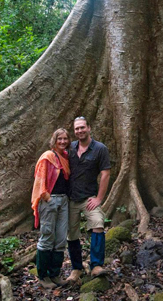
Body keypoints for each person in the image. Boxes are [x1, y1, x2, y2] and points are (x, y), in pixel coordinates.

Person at [65, 116, 111, 282]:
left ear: (89, 128)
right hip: (71, 198)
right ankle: (76, 268)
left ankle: (96, 265)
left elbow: (105, 174)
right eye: (77, 129)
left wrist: (99, 198)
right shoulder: (70, 148)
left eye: (82, 127)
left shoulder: (100, 149)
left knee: (98, 224)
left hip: (89, 198)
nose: (79, 131)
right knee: (72, 234)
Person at [31, 128, 71, 289]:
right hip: (50, 200)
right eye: (59, 139)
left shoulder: (66, 157)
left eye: (65, 139)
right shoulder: (47, 157)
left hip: (64, 201)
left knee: (61, 238)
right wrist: (47, 197)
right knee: (47, 237)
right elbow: (39, 180)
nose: (62, 141)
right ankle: (43, 275)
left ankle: (55, 274)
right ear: (54, 141)